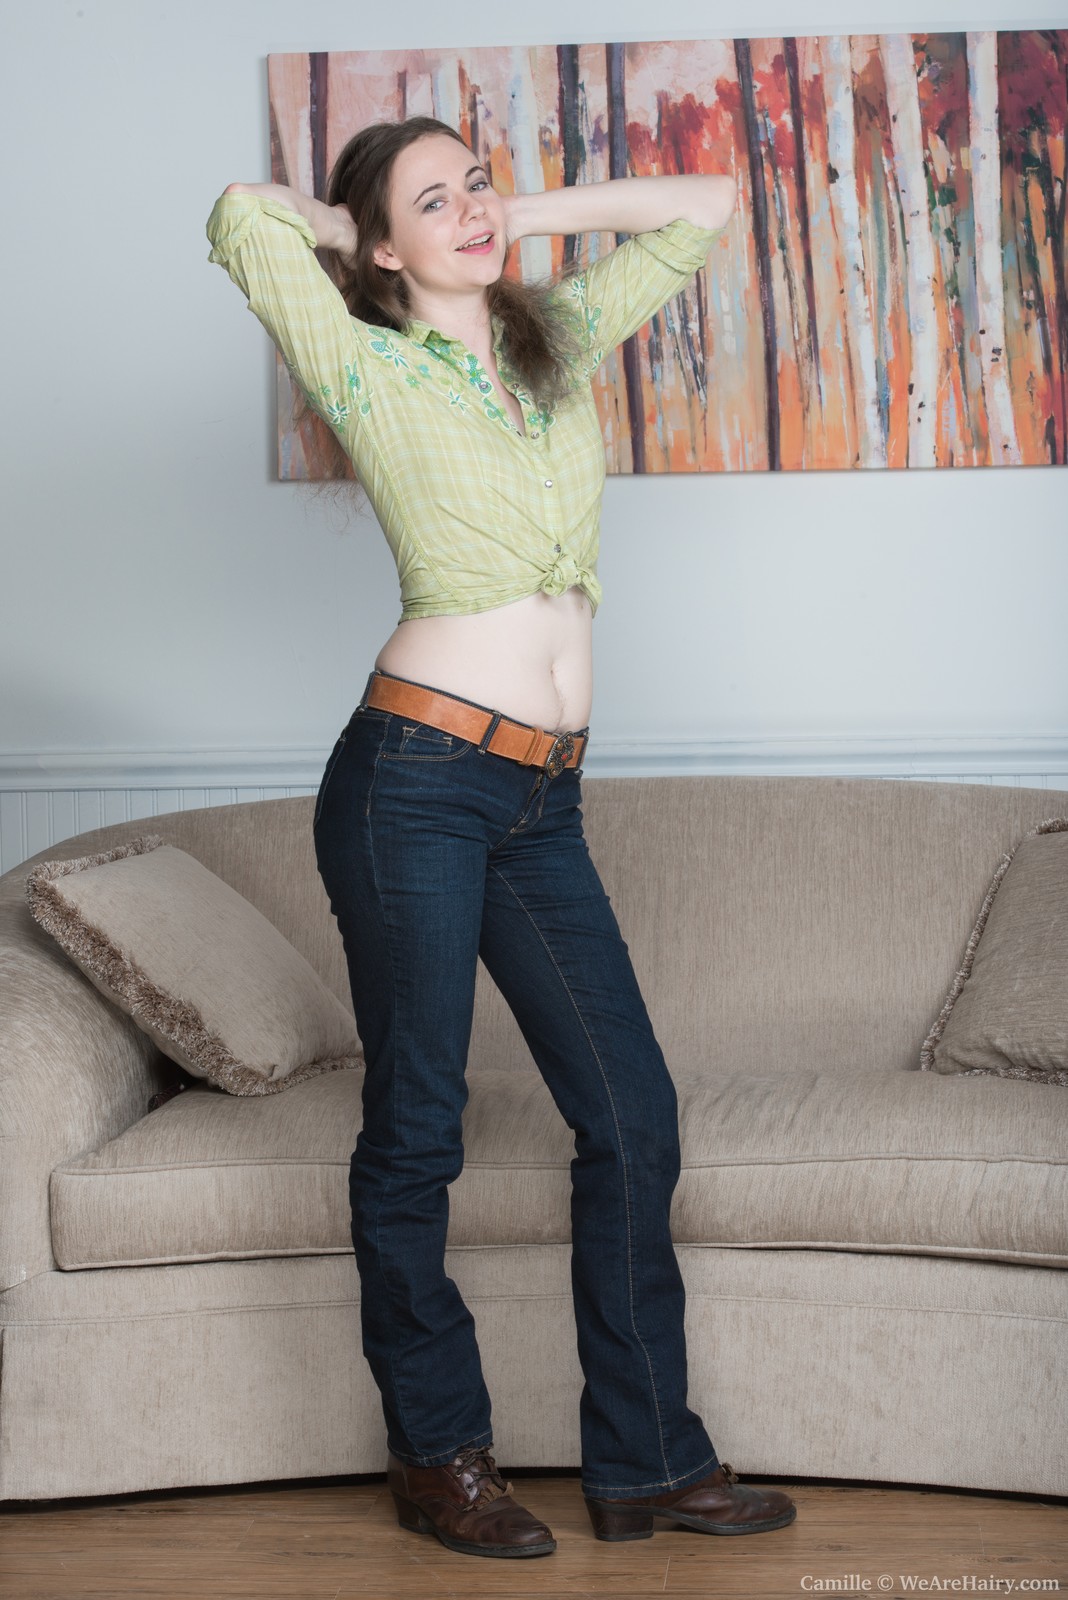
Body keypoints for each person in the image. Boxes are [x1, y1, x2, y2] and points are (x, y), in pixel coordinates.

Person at [205, 115, 796, 1560]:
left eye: (478, 182)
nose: (473, 207)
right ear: (380, 246)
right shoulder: (364, 363)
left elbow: (706, 205)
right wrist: (357, 234)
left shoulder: (554, 344)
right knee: (419, 1122)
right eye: (437, 199)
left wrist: (517, 212)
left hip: (542, 801)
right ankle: (439, 1457)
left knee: (632, 1114)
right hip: (413, 781)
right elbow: (238, 213)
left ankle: (647, 1460)